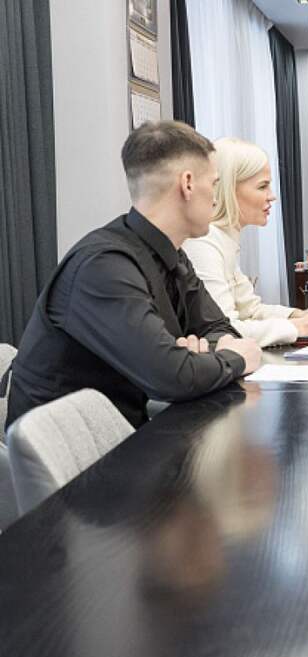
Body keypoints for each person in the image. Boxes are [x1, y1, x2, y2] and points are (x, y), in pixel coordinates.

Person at [5, 121, 262, 429]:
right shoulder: (103, 266)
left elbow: (217, 328)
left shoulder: (171, 254)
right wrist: (234, 359)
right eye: (214, 184)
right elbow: (172, 377)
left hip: (127, 430)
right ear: (188, 184)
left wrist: (199, 360)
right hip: (78, 451)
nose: (217, 198)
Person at [183, 138, 308, 347]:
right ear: (228, 189)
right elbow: (224, 332)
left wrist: (302, 315)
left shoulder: (223, 240)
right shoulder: (203, 244)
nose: (272, 197)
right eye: (262, 186)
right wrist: (300, 326)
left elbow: (251, 310)